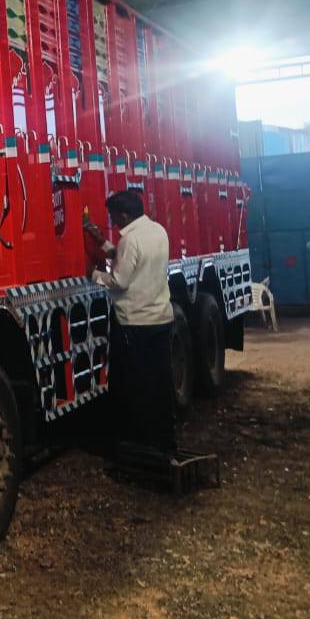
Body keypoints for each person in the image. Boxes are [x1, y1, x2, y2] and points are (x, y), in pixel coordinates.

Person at [85, 190, 176, 454]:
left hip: (135, 323)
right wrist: (103, 244)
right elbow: (134, 261)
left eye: (114, 218)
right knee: (159, 382)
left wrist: (94, 274)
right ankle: (164, 439)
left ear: (124, 215)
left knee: (135, 385)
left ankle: (141, 442)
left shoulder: (130, 240)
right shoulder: (158, 231)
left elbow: (120, 280)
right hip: (161, 317)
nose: (113, 224)